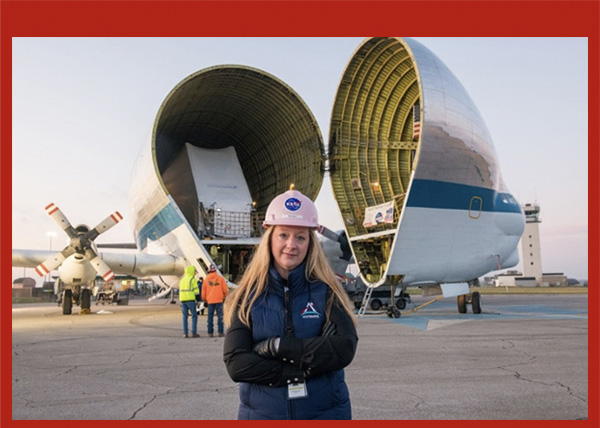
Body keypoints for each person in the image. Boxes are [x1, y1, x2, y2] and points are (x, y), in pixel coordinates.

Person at [223, 189, 359, 420]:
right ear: (270, 238)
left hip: (325, 415)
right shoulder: (247, 297)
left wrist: (278, 347)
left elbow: (344, 348)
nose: (291, 245)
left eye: (300, 237)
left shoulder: (327, 292)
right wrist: (295, 371)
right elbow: (237, 363)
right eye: (283, 235)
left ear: (310, 243)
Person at [202, 264, 229, 337]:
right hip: (219, 300)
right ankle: (220, 332)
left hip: (210, 301)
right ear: (215, 270)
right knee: (220, 317)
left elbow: (203, 291)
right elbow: (225, 290)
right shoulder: (220, 279)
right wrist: (224, 296)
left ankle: (210, 332)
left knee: (210, 317)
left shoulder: (206, 280)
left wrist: (204, 299)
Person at [179, 265, 201, 338]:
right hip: (190, 300)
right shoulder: (192, 280)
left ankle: (185, 333)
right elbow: (196, 291)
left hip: (183, 300)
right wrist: (199, 300)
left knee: (185, 317)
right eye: (194, 271)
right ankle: (194, 332)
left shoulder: (182, 280)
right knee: (194, 316)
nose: (195, 273)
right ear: (192, 271)